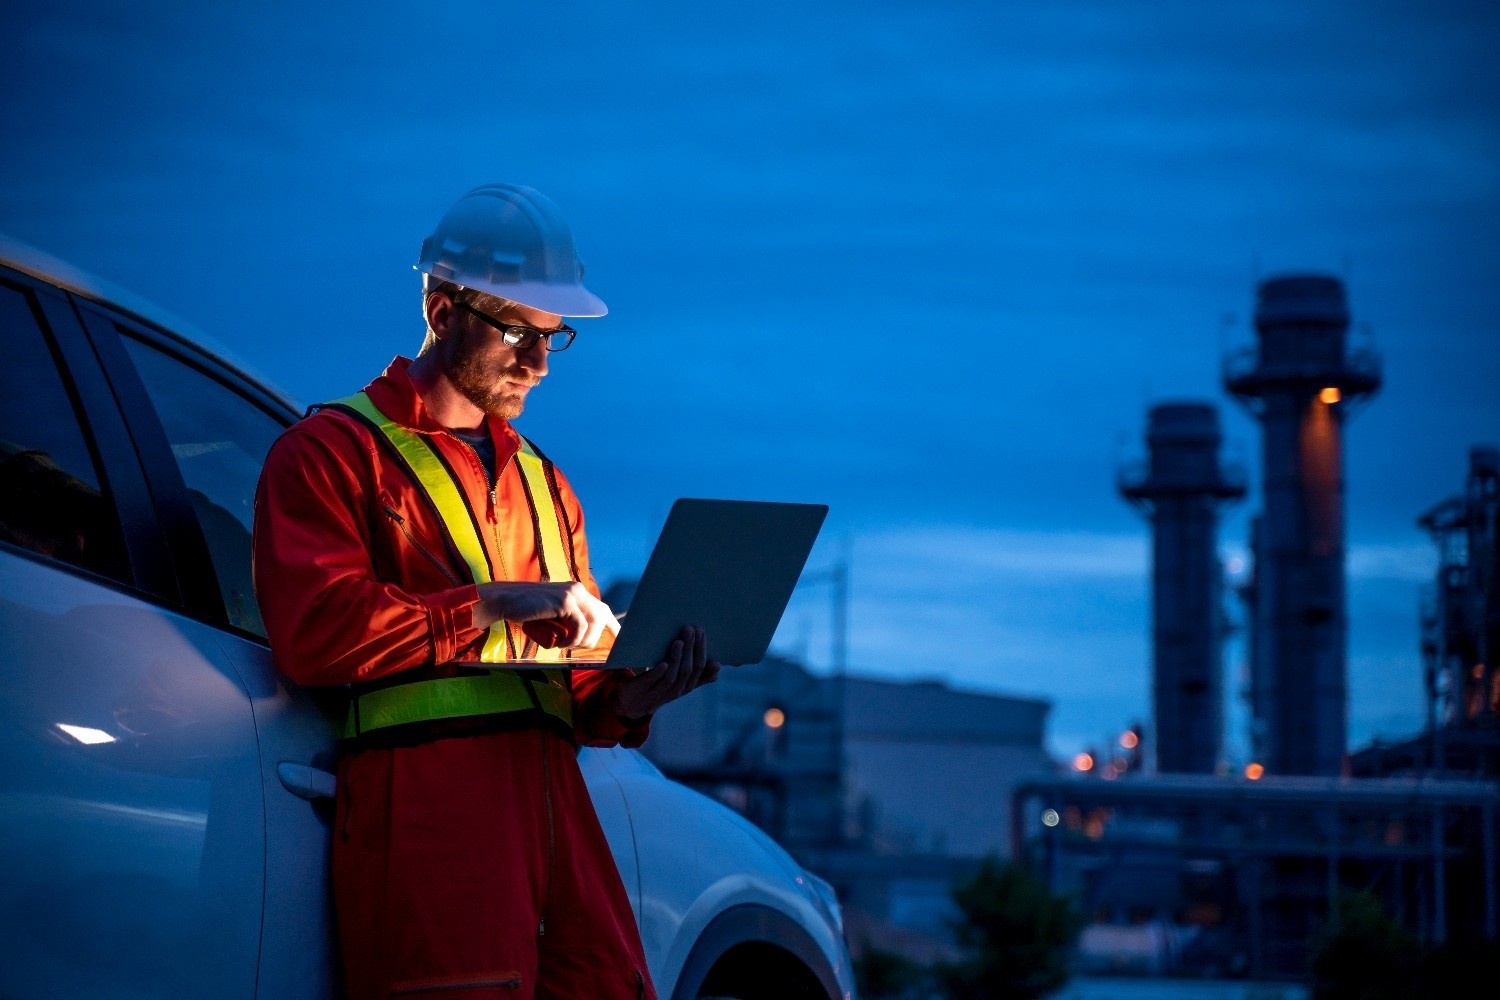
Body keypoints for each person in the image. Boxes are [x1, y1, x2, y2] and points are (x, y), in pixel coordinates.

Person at [251, 183, 720, 1000]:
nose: (539, 364)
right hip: (428, 821)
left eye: (553, 337)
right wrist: (496, 602)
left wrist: (636, 693)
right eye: (517, 333)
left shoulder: (547, 484)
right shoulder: (329, 453)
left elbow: (578, 690)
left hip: (553, 818)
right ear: (440, 311)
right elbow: (316, 633)